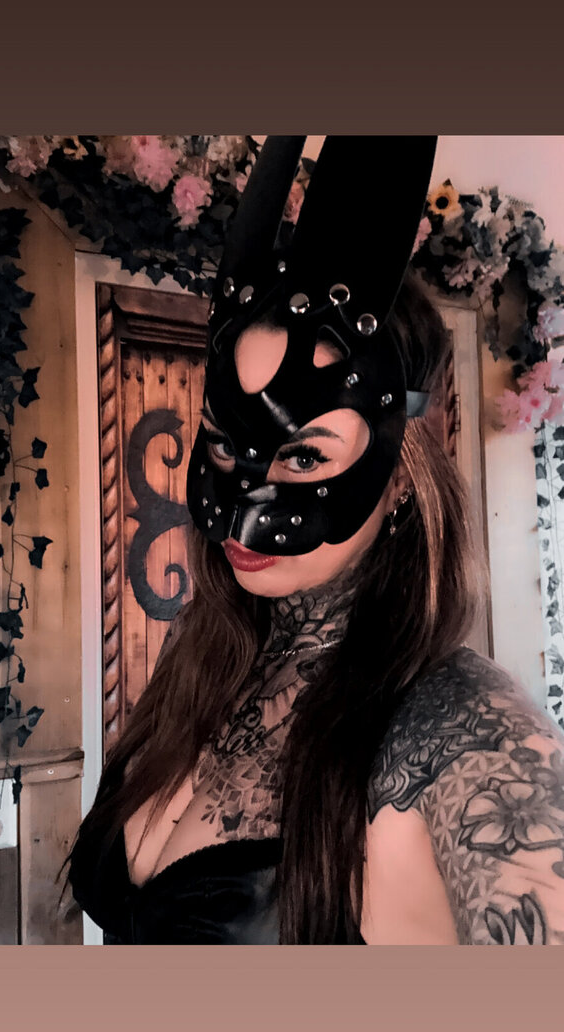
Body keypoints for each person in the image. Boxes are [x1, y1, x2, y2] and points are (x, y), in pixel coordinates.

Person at [68, 137, 564, 945]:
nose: (241, 503)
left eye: (302, 457)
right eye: (226, 444)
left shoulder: (463, 731)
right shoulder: (207, 659)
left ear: (400, 478)